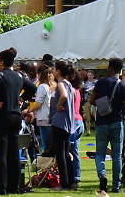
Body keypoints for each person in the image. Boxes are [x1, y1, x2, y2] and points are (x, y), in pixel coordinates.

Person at [0, 47, 36, 195]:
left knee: (0, 154)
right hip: (15, 117)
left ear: (1, 62)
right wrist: (22, 98)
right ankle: (15, 186)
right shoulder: (18, 76)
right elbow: (32, 88)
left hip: (0, 117)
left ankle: (0, 188)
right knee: (13, 154)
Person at [88, 57, 125, 193]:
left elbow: (91, 100)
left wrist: (103, 106)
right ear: (120, 70)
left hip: (102, 123)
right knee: (116, 156)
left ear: (110, 68)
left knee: (100, 154)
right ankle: (116, 186)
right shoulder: (124, 87)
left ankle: (102, 176)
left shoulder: (101, 83)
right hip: (117, 123)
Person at [48, 61, 76, 191]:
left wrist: (59, 104)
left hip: (59, 122)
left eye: (54, 69)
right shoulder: (69, 84)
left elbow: (64, 95)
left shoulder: (60, 84)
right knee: (65, 153)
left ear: (58, 71)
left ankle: (64, 183)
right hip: (67, 122)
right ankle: (71, 181)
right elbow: (73, 96)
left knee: (60, 153)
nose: (52, 71)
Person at [24, 65, 54, 152]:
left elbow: (38, 104)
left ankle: (46, 164)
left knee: (44, 146)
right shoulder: (48, 87)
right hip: (48, 117)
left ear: (40, 74)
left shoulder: (42, 87)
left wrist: (28, 110)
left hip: (44, 119)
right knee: (48, 145)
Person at [69, 73, 85, 185]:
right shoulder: (77, 90)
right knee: (74, 151)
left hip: (73, 122)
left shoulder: (71, 90)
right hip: (79, 122)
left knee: (70, 152)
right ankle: (76, 176)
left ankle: (73, 177)